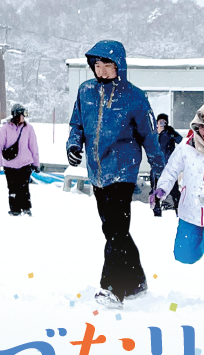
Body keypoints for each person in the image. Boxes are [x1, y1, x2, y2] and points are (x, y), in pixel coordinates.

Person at [67, 40, 167, 306]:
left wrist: (162, 173)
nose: (101, 71)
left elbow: (149, 137)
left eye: (107, 66)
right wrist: (74, 145)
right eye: (97, 66)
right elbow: (77, 124)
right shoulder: (85, 91)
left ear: (119, 66)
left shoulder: (135, 96)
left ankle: (111, 287)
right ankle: (136, 281)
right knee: (113, 229)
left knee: (116, 229)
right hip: (97, 171)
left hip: (123, 170)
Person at [157, 101, 204, 304]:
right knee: (183, 254)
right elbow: (172, 169)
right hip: (189, 211)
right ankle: (201, 244)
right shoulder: (186, 146)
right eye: (200, 127)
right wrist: (162, 189)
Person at [0, 103, 40, 217]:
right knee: (12, 188)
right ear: (16, 115)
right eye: (22, 115)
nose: (24, 118)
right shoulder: (4, 129)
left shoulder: (29, 129)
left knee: (24, 187)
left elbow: (34, 147)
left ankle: (26, 208)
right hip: (9, 166)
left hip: (25, 164)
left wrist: (36, 163)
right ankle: (15, 210)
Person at [151, 114, 177, 218]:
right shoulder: (153, 134)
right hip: (156, 167)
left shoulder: (170, 132)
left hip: (169, 167)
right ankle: (157, 214)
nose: (162, 124)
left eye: (164, 122)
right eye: (160, 122)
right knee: (155, 190)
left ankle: (179, 211)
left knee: (174, 191)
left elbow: (180, 140)